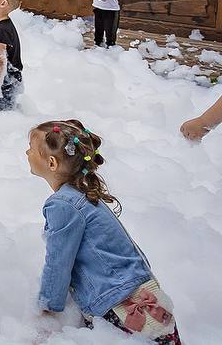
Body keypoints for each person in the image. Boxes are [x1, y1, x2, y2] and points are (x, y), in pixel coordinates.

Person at [29, 120, 181, 343]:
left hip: (119, 306)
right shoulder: (85, 195)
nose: (27, 152)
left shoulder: (63, 204)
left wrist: (47, 308)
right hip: (145, 295)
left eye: (31, 149)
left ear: (51, 163)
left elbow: (58, 261)